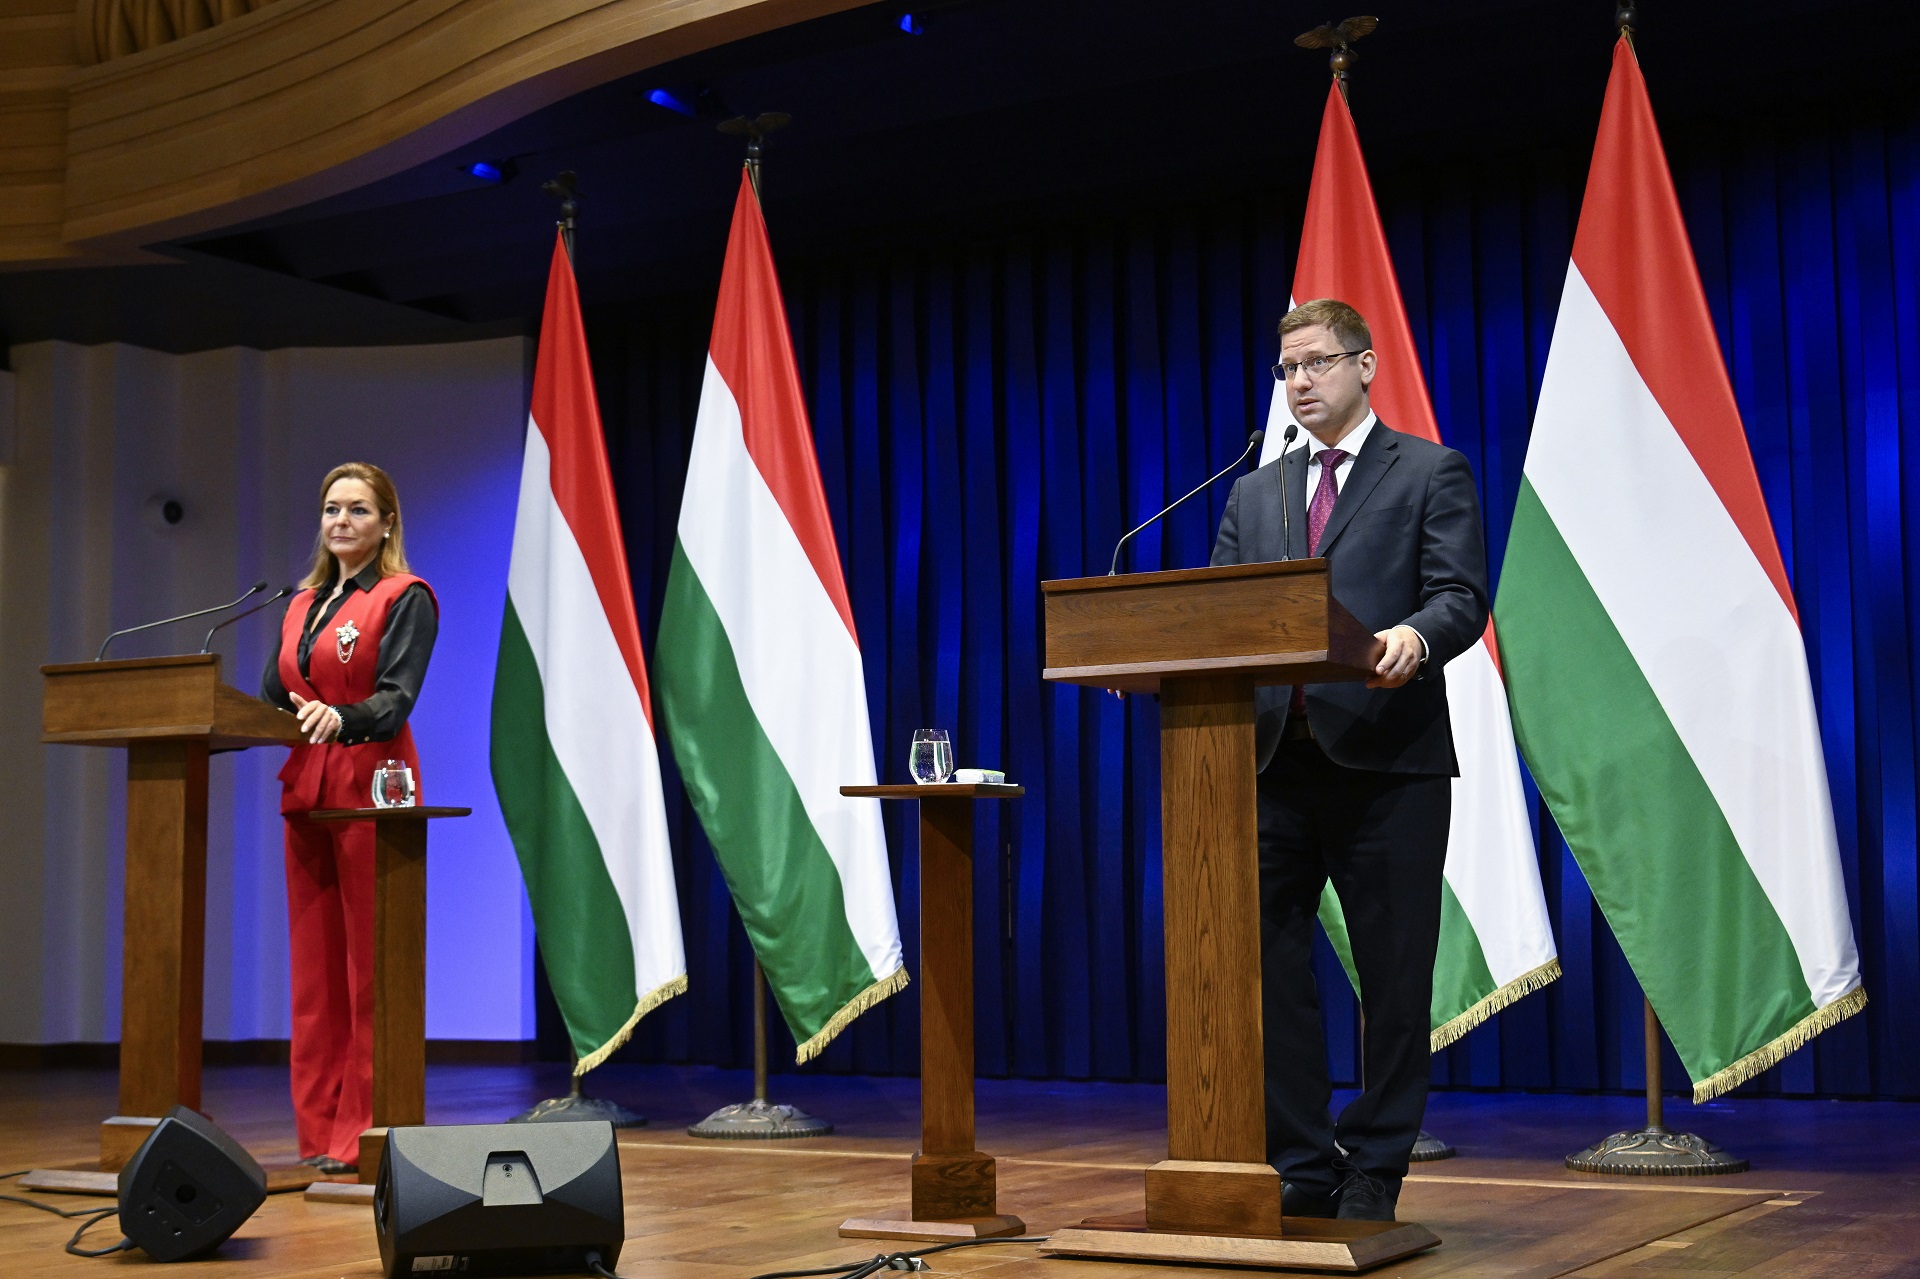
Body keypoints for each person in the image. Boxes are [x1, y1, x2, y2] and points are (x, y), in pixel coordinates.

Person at [1210, 299, 1489, 1222]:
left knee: (1395, 980)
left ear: (1365, 366)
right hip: (1270, 764)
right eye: (1287, 368)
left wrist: (1415, 634)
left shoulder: (1430, 471)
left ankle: (1376, 1162)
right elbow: (1219, 614)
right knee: (1265, 973)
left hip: (1385, 761)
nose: (1300, 381)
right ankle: (1301, 1159)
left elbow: (1460, 595)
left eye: (1318, 363)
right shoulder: (1254, 492)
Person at [262, 462, 438, 1174]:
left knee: (369, 968)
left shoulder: (405, 596)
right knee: (314, 972)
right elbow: (273, 695)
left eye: (358, 509)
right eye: (332, 508)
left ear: (387, 522)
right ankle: (317, 1132)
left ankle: (362, 1131)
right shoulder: (300, 604)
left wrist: (343, 716)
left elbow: (396, 698)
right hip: (307, 787)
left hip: (372, 786)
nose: (341, 520)